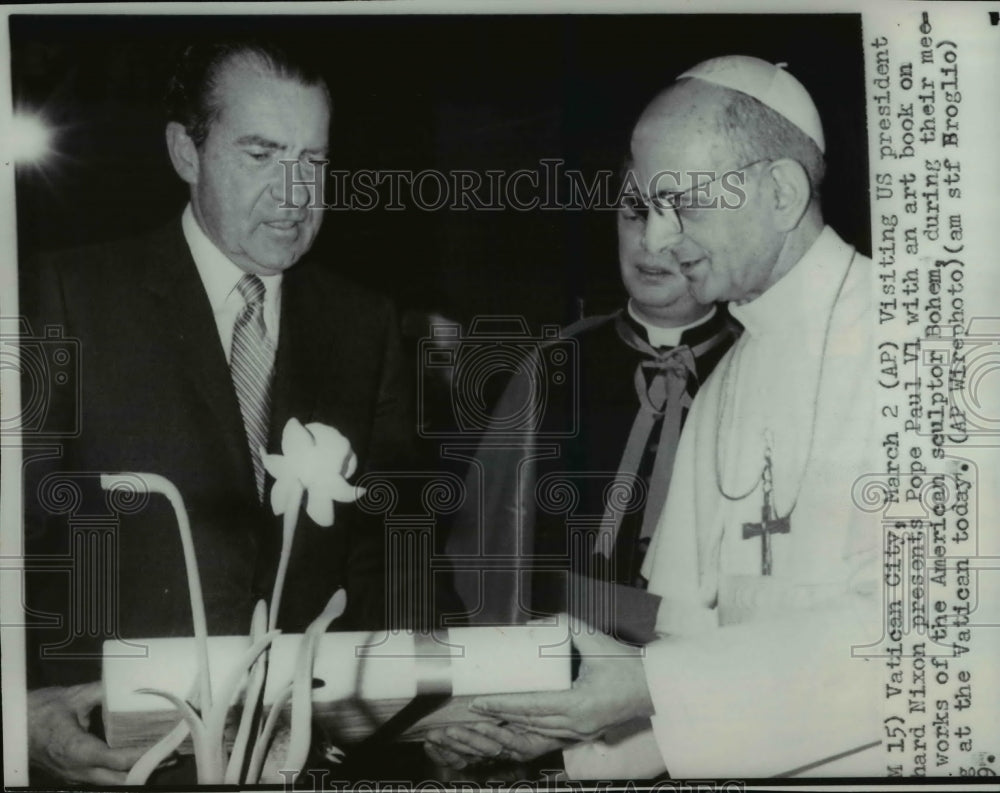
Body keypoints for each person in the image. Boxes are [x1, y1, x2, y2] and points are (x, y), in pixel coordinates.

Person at [427, 55, 882, 778]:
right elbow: (686, 656)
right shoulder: (728, 383)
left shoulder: (920, 342)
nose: (660, 239)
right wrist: (555, 735)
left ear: (781, 192)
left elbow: (919, 649)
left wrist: (644, 685)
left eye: (684, 204)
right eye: (644, 206)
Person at [22, 39, 411, 785]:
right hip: (104, 763)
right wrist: (17, 713)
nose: (296, 193)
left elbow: (380, 561)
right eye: (262, 155)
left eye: (315, 161)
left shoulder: (364, 324)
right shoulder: (66, 299)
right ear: (185, 152)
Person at [428, 162, 739, 770]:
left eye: (675, 216)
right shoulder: (551, 368)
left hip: (709, 705)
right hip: (554, 711)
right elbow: (480, 567)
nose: (651, 240)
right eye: (633, 212)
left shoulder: (760, 368)